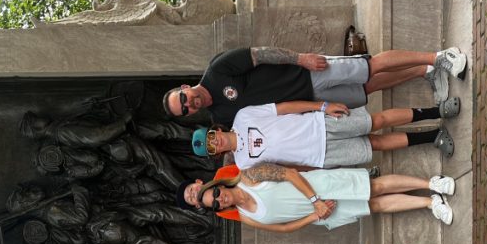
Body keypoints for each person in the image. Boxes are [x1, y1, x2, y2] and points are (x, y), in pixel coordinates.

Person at [163, 46, 468, 125]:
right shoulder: (221, 118)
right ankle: (423, 70)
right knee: (367, 88)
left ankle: (440, 56)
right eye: (185, 110)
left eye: (183, 98)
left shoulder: (217, 70)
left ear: (184, 86)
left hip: (307, 74)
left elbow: (261, 53)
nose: (190, 104)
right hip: (311, 101)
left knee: (368, 65)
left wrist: (301, 59)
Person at [177, 162, 455, 230]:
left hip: (319, 188)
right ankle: (428, 202)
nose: (219, 200)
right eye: (214, 205)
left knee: (376, 186)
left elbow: (289, 174)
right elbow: (283, 228)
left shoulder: (250, 175)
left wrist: (315, 200)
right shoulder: (246, 217)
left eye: (215, 194)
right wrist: (314, 215)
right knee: (376, 205)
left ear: (218, 185)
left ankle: (431, 183)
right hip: (322, 211)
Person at [190, 99, 459, 169]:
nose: (216, 142)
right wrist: (315, 170)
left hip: (320, 124)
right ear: (216, 153)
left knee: (376, 120)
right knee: (374, 144)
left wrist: (321, 106)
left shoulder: (243, 116)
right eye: (211, 147)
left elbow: (283, 108)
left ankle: (437, 110)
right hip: (318, 155)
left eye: (212, 137)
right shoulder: (243, 163)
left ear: (216, 130)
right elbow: (283, 167)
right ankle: (433, 137)